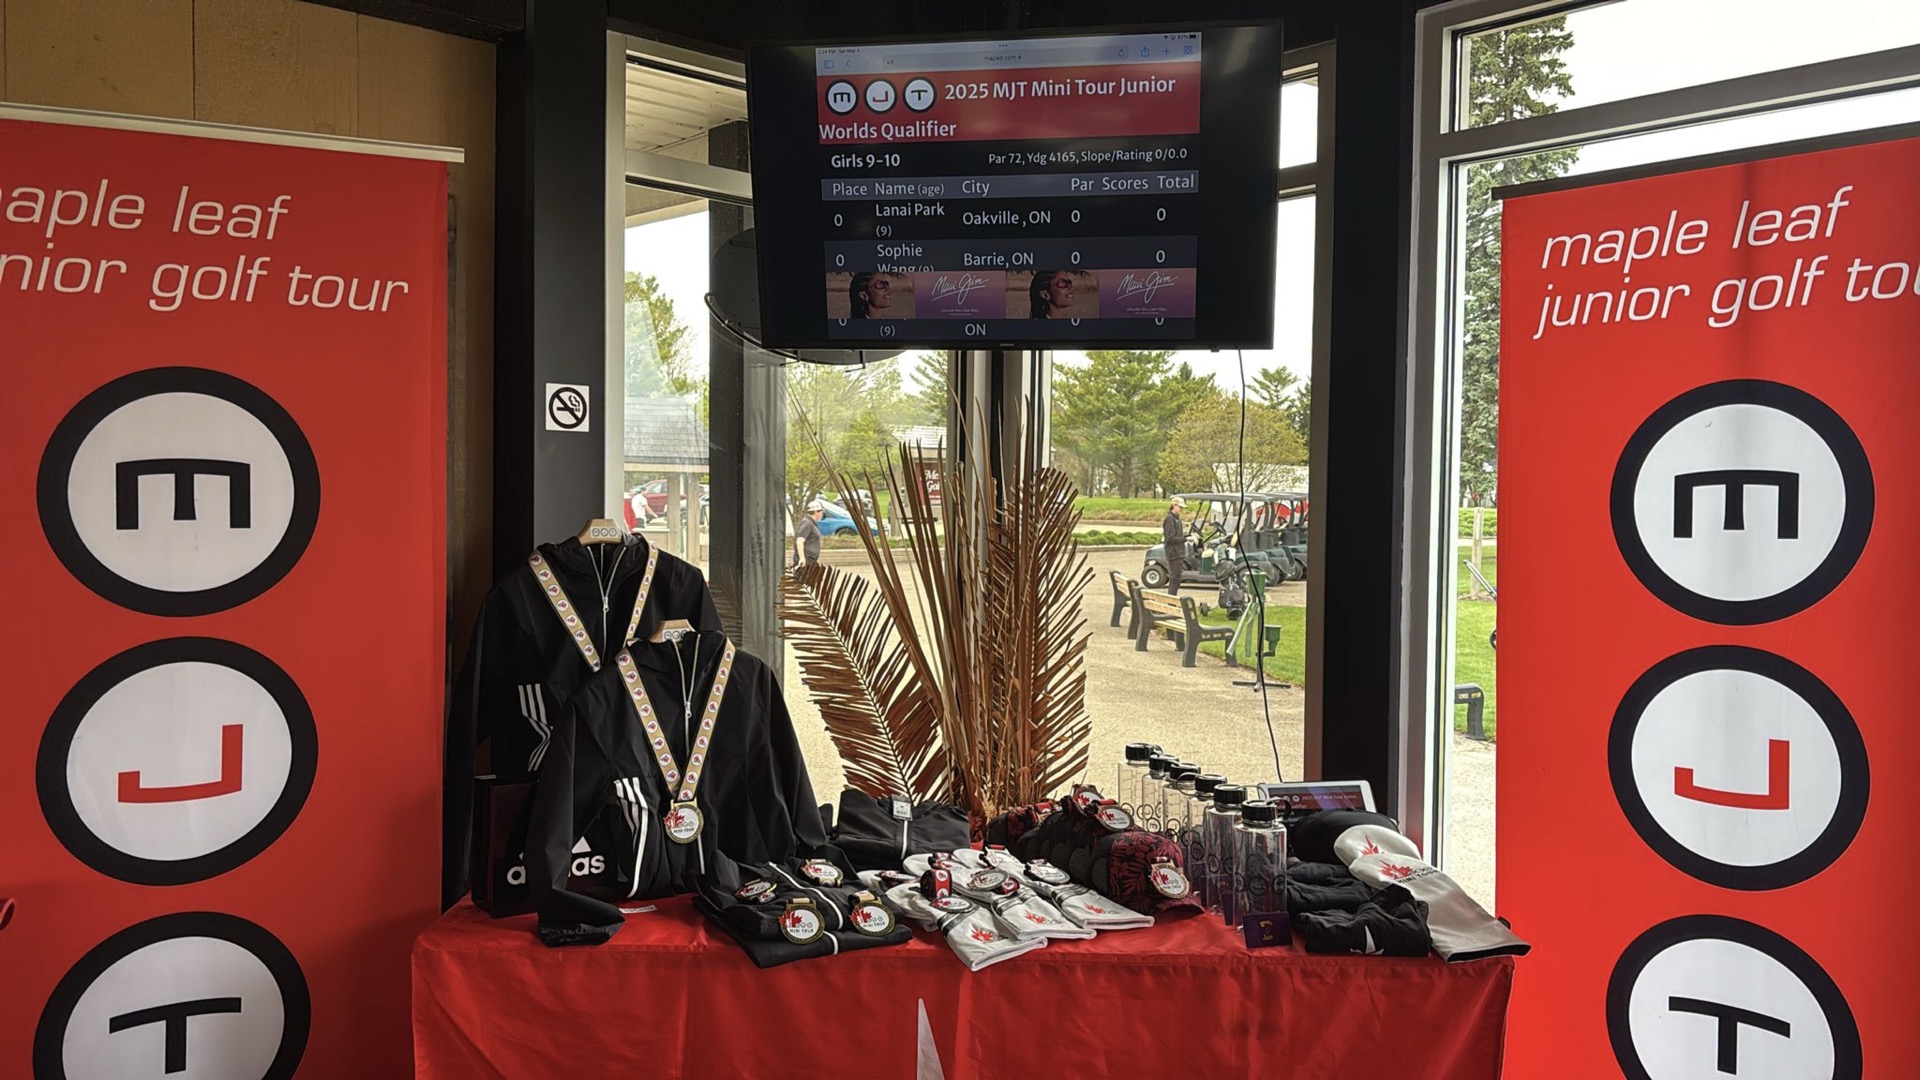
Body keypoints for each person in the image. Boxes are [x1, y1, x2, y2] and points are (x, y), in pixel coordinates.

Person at [1162, 495, 1187, 595]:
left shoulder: (1177, 519)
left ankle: (1172, 598)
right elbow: (1170, 538)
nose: (1181, 509)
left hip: (1178, 552)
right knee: (1175, 578)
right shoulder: (1170, 519)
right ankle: (1171, 599)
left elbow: (1177, 536)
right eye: (1180, 507)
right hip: (1173, 552)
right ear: (1174, 505)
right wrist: (1185, 539)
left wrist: (1188, 536)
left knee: (1177, 578)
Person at [794, 499, 826, 568]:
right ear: (816, 512)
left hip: (810, 560)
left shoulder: (810, 523)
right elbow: (799, 541)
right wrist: (802, 558)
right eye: (821, 512)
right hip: (807, 560)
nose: (822, 514)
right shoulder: (807, 523)